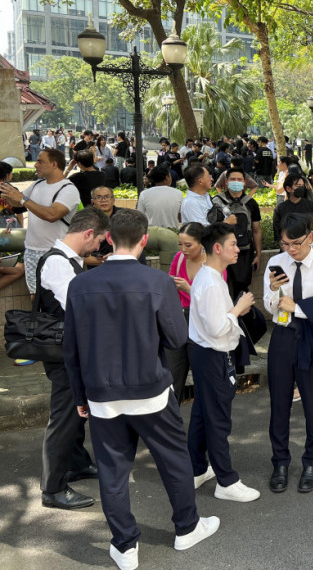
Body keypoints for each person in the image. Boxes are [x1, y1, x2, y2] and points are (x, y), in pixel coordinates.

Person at [64, 209, 219, 569]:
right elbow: (177, 338)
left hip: (101, 395)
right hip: (150, 389)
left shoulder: (80, 284)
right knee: (174, 459)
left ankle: (125, 545)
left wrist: (78, 397)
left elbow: (70, 348)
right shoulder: (158, 282)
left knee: (113, 471)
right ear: (144, 239)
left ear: (107, 238)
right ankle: (187, 527)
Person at [263, 214, 313, 494]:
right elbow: (270, 307)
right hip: (283, 336)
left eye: (295, 243)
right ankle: (280, 462)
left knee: (312, 402)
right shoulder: (276, 263)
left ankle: (312, 462)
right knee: (279, 402)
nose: (290, 249)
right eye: (284, 243)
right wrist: (273, 291)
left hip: (311, 337)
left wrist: (296, 306)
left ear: (310, 237)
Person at [38, 208, 110, 511]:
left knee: (74, 414)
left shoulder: (68, 260)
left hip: (69, 351)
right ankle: (52, 488)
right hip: (63, 355)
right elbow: (79, 308)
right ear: (88, 233)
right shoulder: (57, 263)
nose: (99, 249)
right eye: (99, 242)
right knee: (64, 418)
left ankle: (77, 463)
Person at [186, 223, 260, 503]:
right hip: (212, 354)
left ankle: (196, 469)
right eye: (232, 244)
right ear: (217, 248)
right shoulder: (210, 281)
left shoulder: (212, 276)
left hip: (208, 354)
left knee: (204, 414)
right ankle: (226, 480)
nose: (238, 249)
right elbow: (217, 328)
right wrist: (239, 309)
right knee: (217, 419)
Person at [0, 149, 80, 294]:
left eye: (40, 161)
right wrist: (8, 193)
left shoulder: (68, 189)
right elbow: (18, 203)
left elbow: (52, 215)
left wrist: (22, 199)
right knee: (35, 298)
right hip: (31, 251)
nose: (35, 165)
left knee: (57, 299)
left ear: (54, 164)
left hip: (55, 254)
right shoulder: (38, 184)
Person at [165, 223, 226, 403]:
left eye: (188, 245)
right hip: (179, 319)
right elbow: (170, 283)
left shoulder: (214, 263)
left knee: (203, 377)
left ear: (202, 243)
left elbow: (215, 300)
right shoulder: (179, 258)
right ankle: (169, 421)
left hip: (202, 322)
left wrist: (189, 289)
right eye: (180, 245)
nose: (183, 250)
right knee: (171, 375)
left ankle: (204, 420)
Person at [207, 168, 262, 298]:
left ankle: (242, 315)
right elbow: (210, 228)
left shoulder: (251, 203)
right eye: (232, 179)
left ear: (244, 182)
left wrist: (258, 254)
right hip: (219, 252)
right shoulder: (216, 202)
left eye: (239, 179)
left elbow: (257, 230)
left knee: (241, 286)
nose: (236, 182)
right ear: (226, 182)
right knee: (220, 286)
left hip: (244, 251)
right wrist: (225, 222)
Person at [272, 173, 313, 243]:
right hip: (288, 248)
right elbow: (277, 233)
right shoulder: (280, 209)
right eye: (298, 186)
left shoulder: (312, 206)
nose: (301, 188)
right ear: (288, 188)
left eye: (303, 186)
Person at [137, 165, 184, 229]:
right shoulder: (178, 193)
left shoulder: (144, 194)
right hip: (172, 233)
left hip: (151, 233)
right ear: (167, 177)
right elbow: (180, 216)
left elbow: (140, 216)